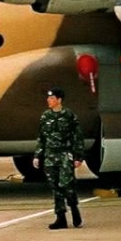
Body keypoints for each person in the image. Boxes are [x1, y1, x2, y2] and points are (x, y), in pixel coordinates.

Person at [33, 87, 85, 230]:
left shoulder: (69, 116)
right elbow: (41, 138)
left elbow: (77, 137)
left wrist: (78, 156)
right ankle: (60, 217)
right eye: (48, 98)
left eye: (52, 98)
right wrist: (37, 155)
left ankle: (74, 210)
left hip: (64, 155)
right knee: (55, 187)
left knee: (67, 185)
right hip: (50, 156)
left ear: (59, 100)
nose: (48, 101)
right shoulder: (45, 116)